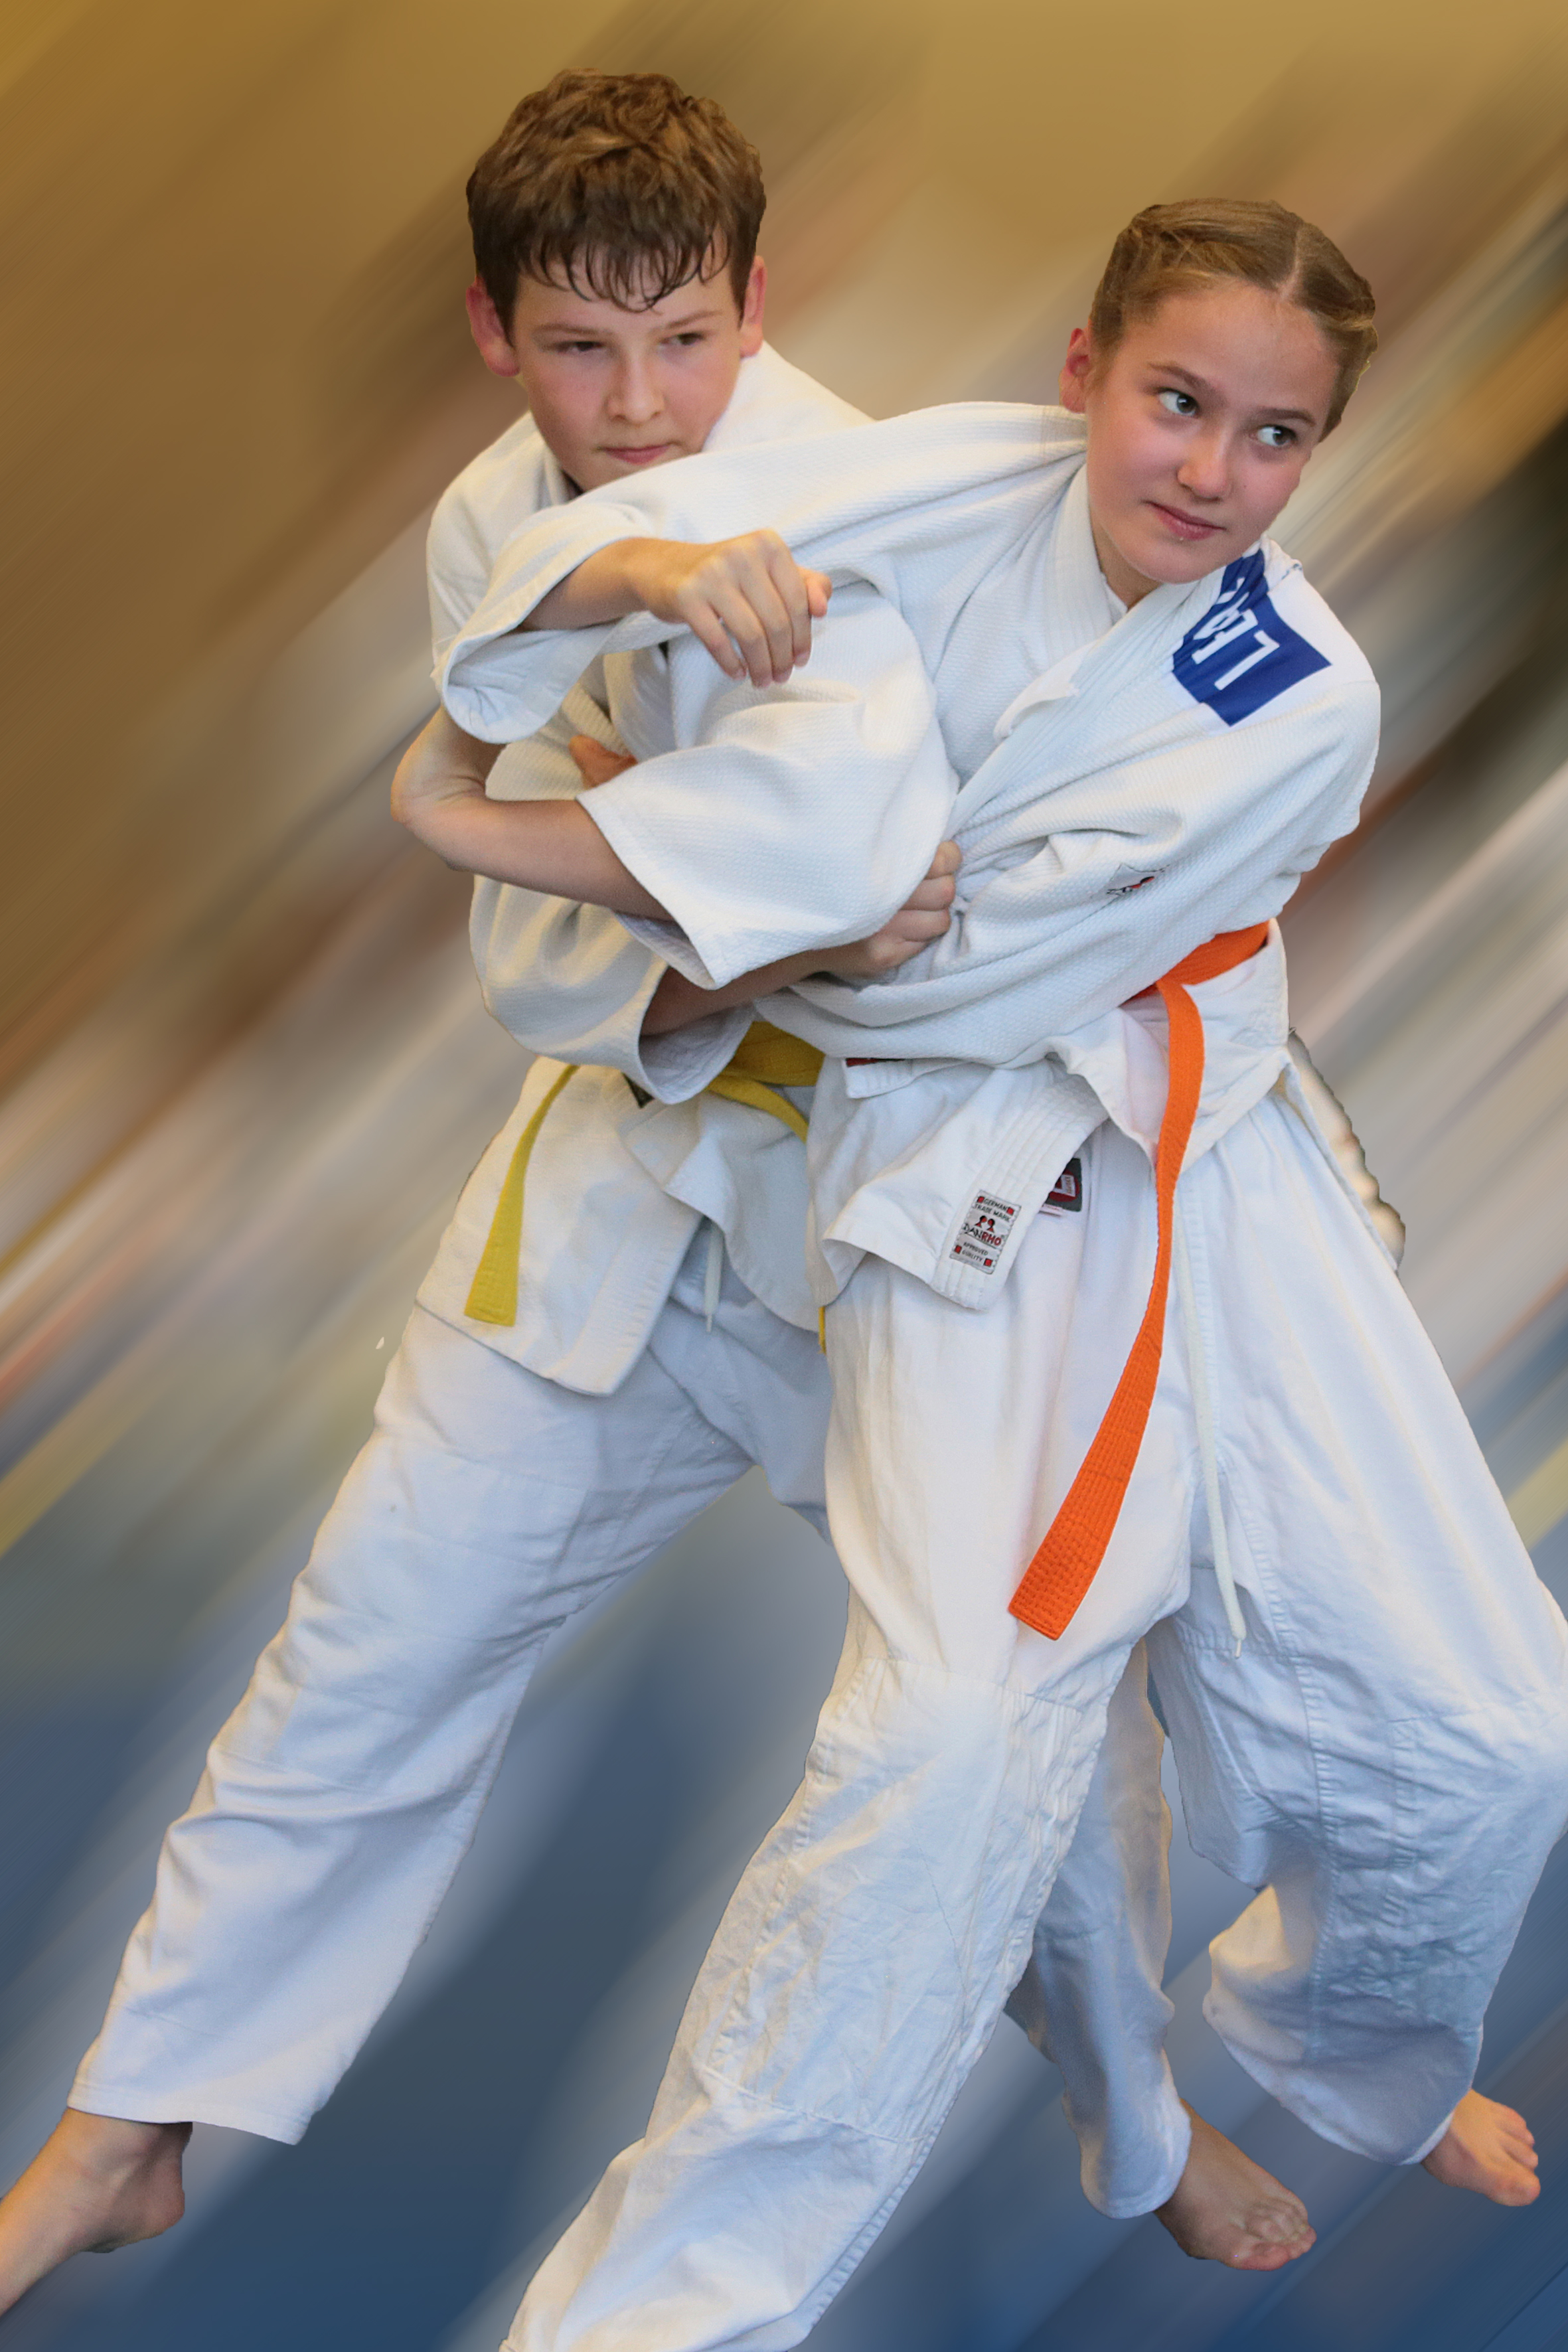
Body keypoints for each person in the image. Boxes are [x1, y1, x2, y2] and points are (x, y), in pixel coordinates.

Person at [0, 84, 1285, 2325]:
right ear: (494, 334)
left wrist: (728, 890)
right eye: (580, 353)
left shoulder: (882, 514)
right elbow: (543, 962)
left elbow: (933, 913)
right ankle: (126, 2133)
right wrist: (743, 920)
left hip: (899, 1232)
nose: (635, 407)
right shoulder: (486, 533)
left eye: (681, 343)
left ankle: (1140, 2113)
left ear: (756, 307)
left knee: (997, 1738)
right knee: (364, 1655)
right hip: (619, 1183)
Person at [399, 198, 1565, 2351]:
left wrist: (713, 867)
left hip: (1214, 1168)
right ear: (1079, 371)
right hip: (963, 1201)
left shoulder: (1300, 698)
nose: (1209, 470)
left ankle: (1350, 2060)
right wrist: (639, 621)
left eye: (1275, 436)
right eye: (1176, 400)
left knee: (1493, 1731)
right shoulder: (930, 485)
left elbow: (930, 969)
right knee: (939, 1755)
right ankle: (655, 2321)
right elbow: (595, 572)